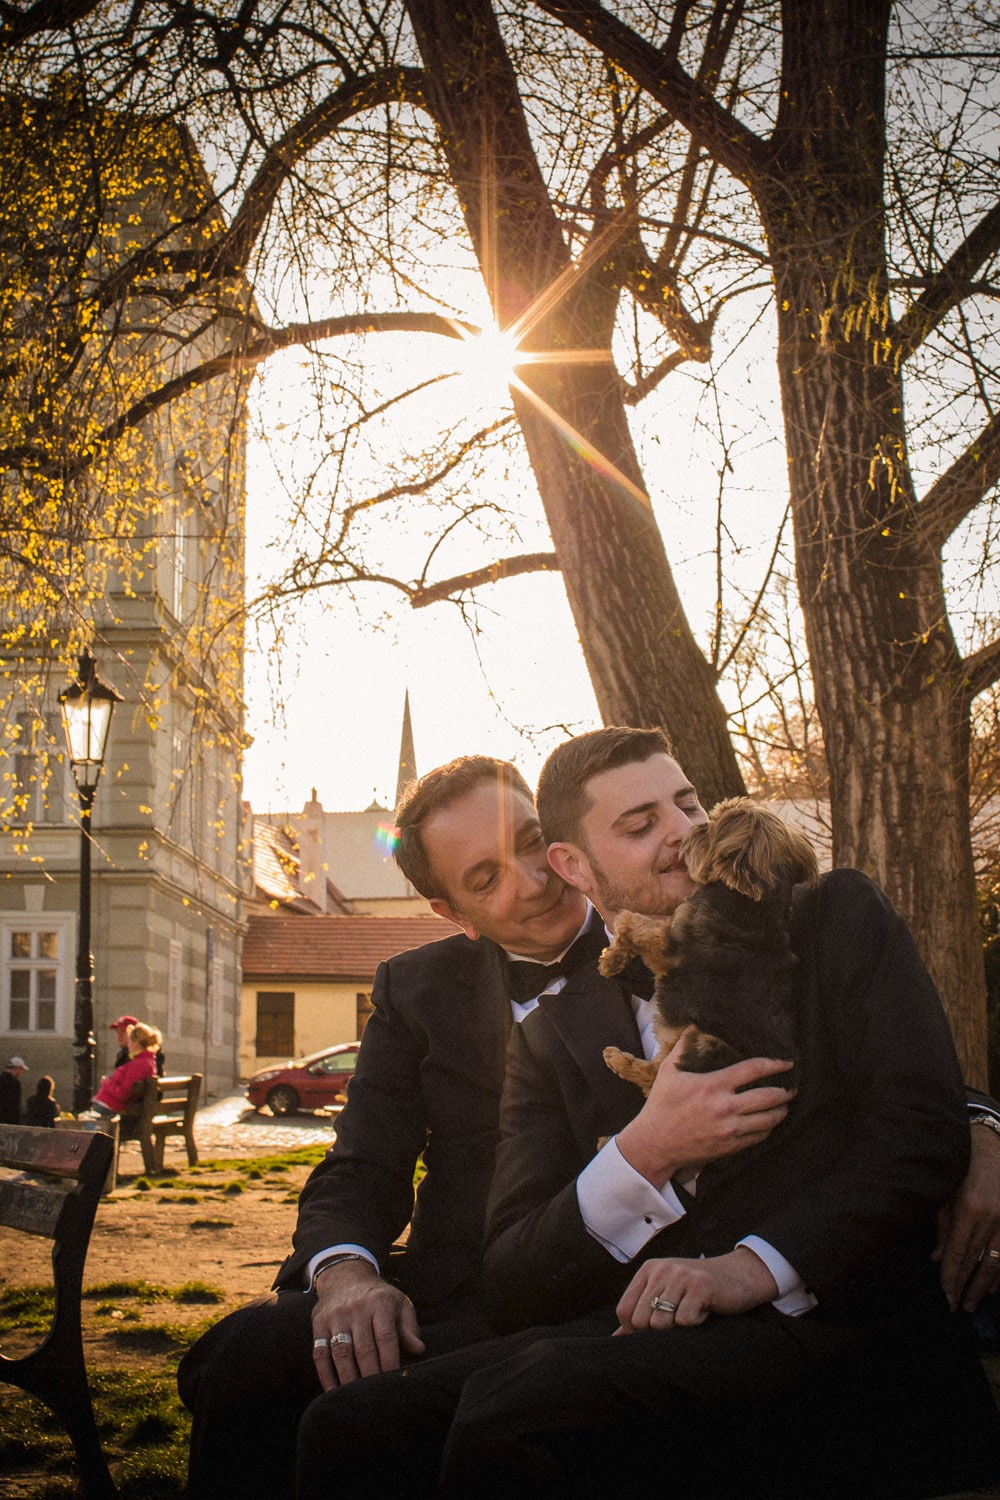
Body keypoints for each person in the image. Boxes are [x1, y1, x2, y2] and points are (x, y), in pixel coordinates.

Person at [295, 729, 1000, 1499]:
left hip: (836, 1315)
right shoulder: (548, 1036)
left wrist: (750, 1266)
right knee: (355, 1424)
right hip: (643, 1317)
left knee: (518, 1411)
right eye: (639, 825)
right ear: (577, 864)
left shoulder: (828, 916)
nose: (685, 832)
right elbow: (512, 1274)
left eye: (689, 802)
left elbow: (916, 1117)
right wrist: (644, 1152)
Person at [178, 756, 627, 1500]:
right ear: (455, 915)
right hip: (451, 1287)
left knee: (351, 1417)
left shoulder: (656, 952)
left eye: (532, 839)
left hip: (587, 1293)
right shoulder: (419, 989)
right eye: (485, 878)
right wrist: (348, 1275)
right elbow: (361, 1166)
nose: (533, 877)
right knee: (244, 1354)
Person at [91, 1022, 160, 1117]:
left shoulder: (137, 1065)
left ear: (136, 1044)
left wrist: (106, 1083)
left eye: (130, 1042)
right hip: (108, 1105)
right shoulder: (148, 1062)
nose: (128, 1045)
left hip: (108, 1107)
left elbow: (123, 1093)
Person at [0, 1055, 27, 1125]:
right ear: (18, 1068)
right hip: (9, 1122)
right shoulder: (15, 1083)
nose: (21, 1073)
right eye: (21, 1070)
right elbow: (15, 1107)